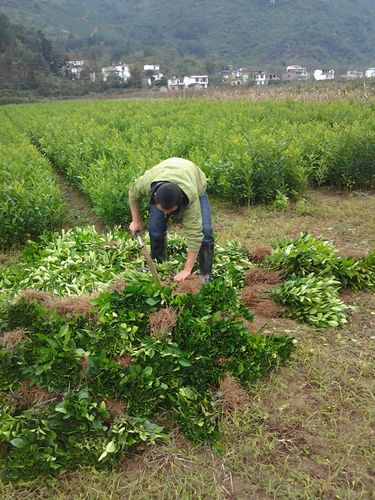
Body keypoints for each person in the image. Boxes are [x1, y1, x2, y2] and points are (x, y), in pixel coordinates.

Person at [128, 157, 214, 283]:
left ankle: (205, 273)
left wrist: (186, 270)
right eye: (163, 210)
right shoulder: (146, 183)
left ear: (180, 203)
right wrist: (136, 221)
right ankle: (158, 265)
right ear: (155, 196)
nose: (166, 215)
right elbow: (133, 194)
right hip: (164, 172)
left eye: (170, 212)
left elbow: (194, 234)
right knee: (155, 230)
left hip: (193, 179)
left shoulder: (191, 197)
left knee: (205, 231)